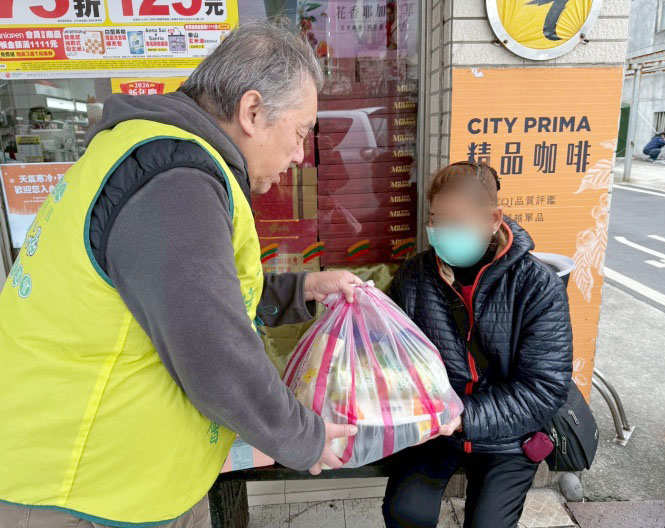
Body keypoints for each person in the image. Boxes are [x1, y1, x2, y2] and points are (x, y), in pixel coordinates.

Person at [0, 22, 360, 528]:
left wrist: (301, 289)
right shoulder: (174, 182)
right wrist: (305, 437)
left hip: (115, 476)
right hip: (83, 489)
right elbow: (214, 352)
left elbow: (189, 298)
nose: (301, 156)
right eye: (300, 133)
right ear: (252, 112)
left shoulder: (154, 153)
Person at [382, 161, 573, 528]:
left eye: (458, 222)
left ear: (493, 219)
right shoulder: (415, 276)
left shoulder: (537, 286)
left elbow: (544, 388)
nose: (443, 232)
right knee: (406, 513)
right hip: (435, 429)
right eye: (437, 219)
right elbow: (392, 352)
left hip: (508, 433)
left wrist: (464, 416)